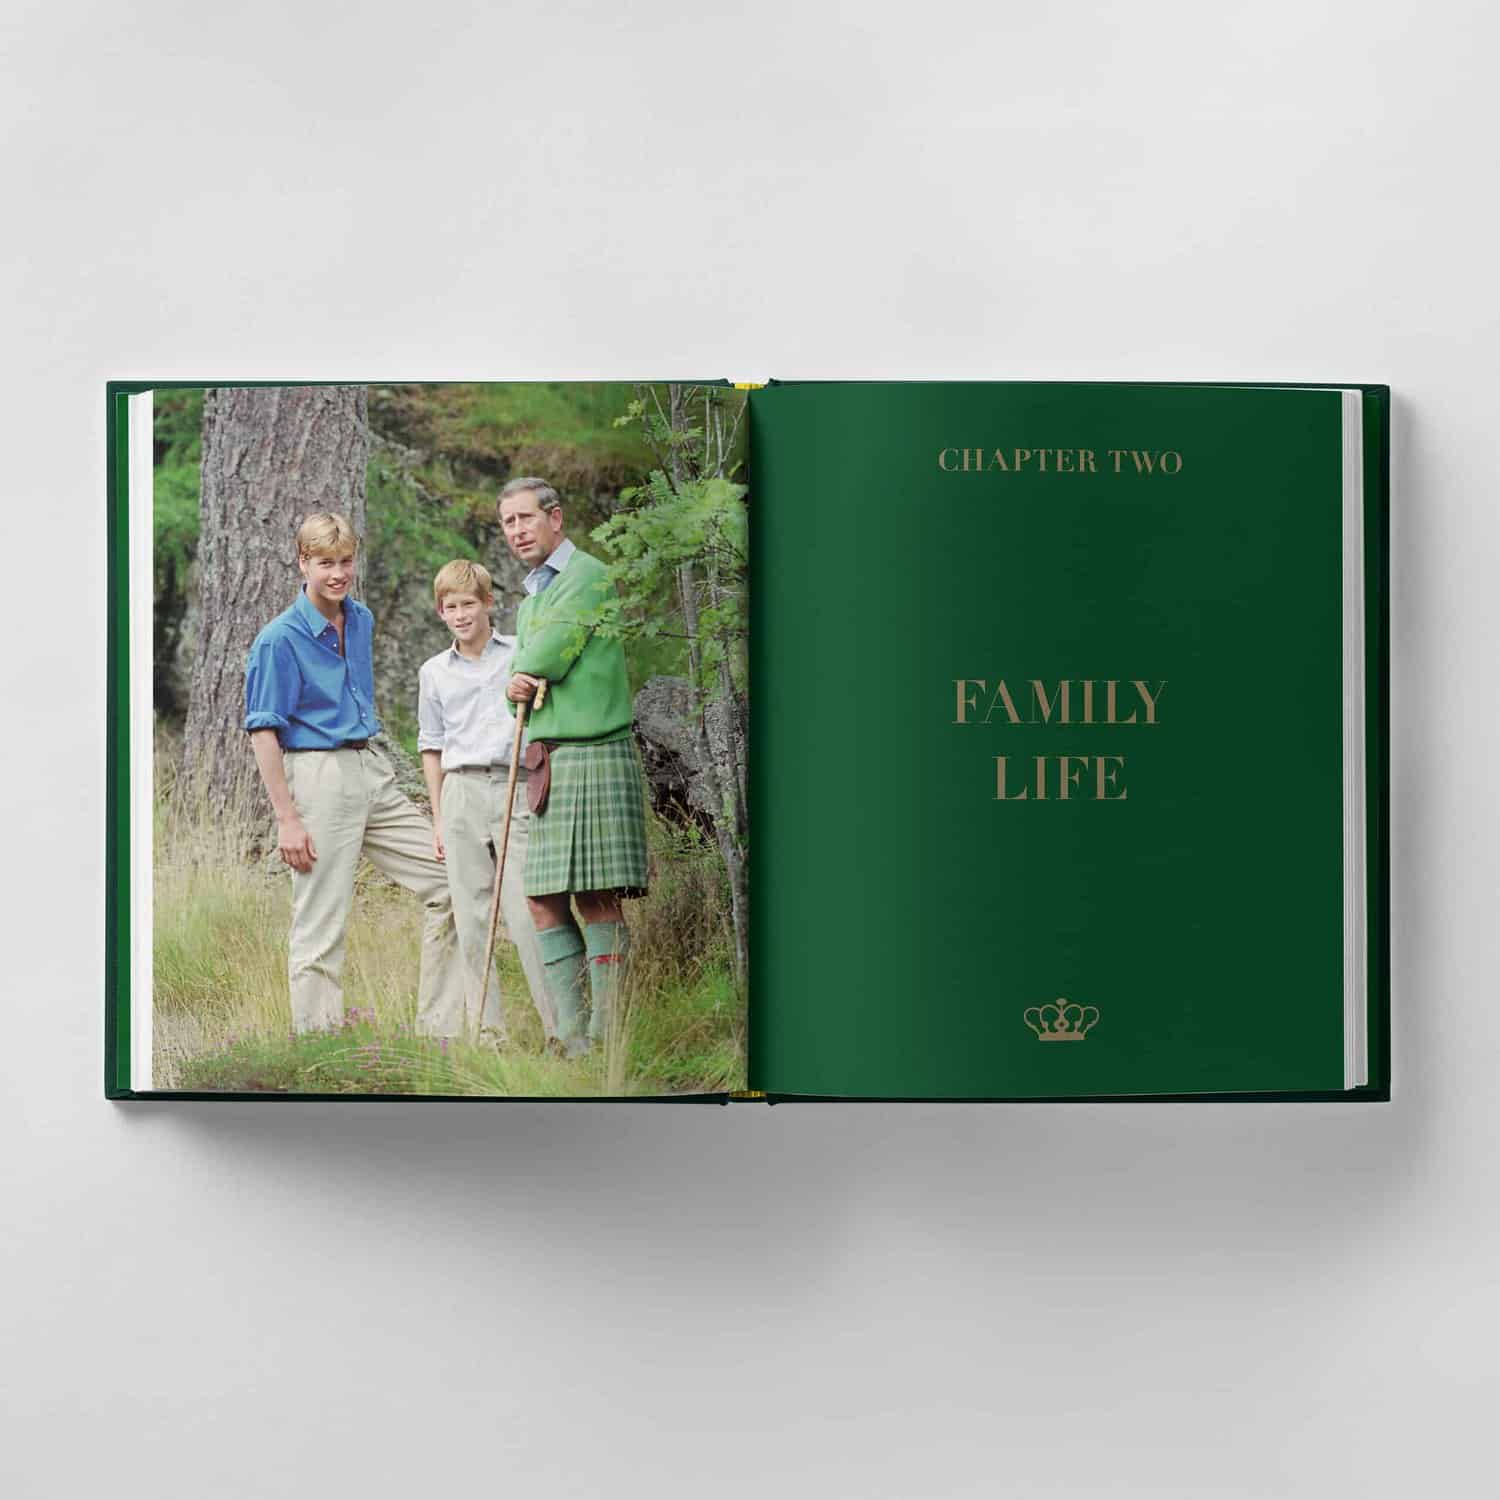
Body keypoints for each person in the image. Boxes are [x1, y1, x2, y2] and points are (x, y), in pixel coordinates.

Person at [244, 512, 464, 1036]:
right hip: (318, 775)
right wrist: (287, 819)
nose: (338, 574)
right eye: (325, 564)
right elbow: (263, 732)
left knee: (450, 881)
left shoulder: (359, 618)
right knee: (321, 920)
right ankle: (320, 1048)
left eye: (346, 562)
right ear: (303, 562)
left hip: (371, 767)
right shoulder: (279, 640)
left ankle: (442, 1033)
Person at [498, 476, 650, 1057]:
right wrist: (516, 682)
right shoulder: (535, 594)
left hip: (593, 752)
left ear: (555, 518)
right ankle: (574, 1041)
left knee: (595, 898)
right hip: (550, 761)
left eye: (526, 519)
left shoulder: (587, 575)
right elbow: (510, 689)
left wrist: (522, 677)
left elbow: (545, 660)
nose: (517, 532)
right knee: (542, 900)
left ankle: (610, 1040)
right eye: (508, 523)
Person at [417, 559, 555, 1044]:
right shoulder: (434, 672)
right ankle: (486, 1034)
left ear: (488, 603)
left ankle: (559, 1030)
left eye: (468, 604)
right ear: (440, 612)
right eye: (450, 607)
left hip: (513, 785)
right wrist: (438, 818)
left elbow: (543, 712)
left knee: (524, 909)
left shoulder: (518, 654)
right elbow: (431, 747)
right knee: (472, 919)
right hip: (460, 791)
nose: (460, 615)